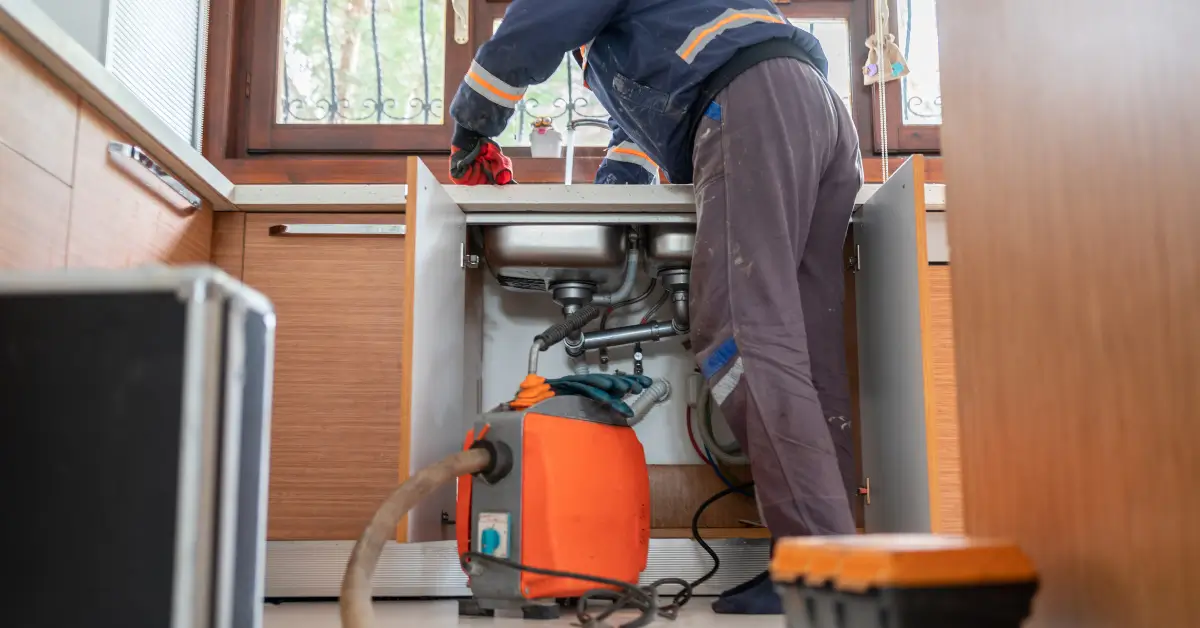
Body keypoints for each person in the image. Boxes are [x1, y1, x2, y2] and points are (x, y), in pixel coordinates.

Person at [447, 0, 863, 615]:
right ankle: (845, 559)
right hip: (813, 110)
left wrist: (473, 123)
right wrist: (606, 199)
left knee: (743, 337)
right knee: (805, 346)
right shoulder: (666, 30)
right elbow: (639, 143)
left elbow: (535, 25)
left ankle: (817, 564)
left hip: (751, 106)